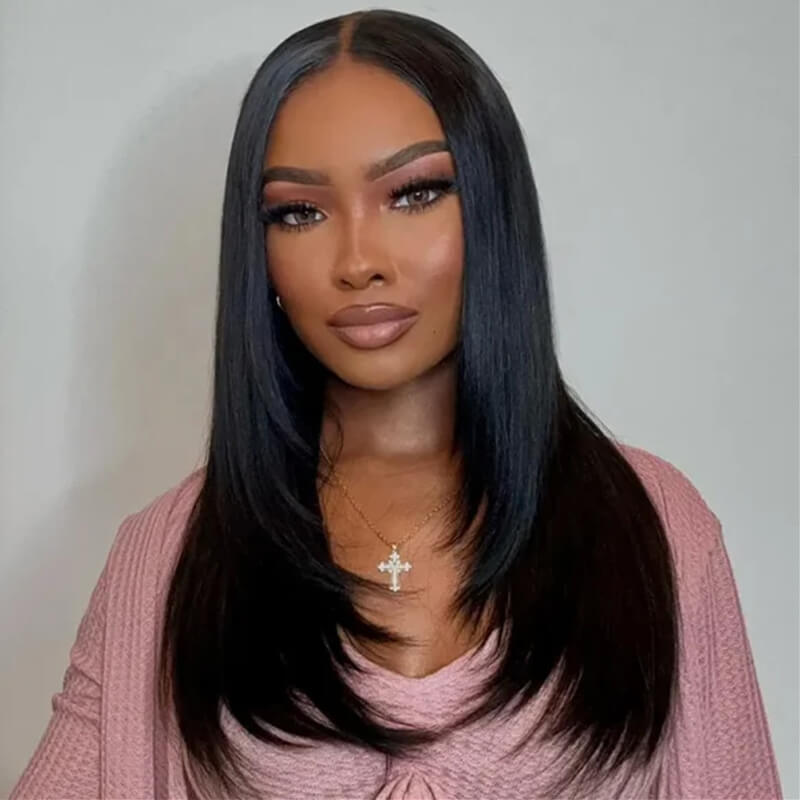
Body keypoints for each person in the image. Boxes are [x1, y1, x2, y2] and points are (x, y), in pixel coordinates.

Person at [10, 9, 783, 799]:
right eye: (300, 212)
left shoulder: (657, 527)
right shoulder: (168, 557)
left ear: (492, 213)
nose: (358, 262)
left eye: (414, 194)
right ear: (260, 252)